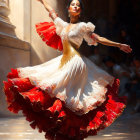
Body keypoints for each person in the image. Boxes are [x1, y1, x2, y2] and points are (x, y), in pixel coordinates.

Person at [3, 0, 132, 139]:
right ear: (69, 9)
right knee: (57, 94)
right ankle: (64, 132)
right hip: (63, 61)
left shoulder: (83, 26)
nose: (75, 6)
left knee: (65, 95)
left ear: (80, 11)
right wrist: (42, 1)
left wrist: (119, 45)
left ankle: (69, 132)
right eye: (73, 4)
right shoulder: (62, 25)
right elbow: (51, 11)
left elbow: (99, 38)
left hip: (75, 63)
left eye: (78, 5)